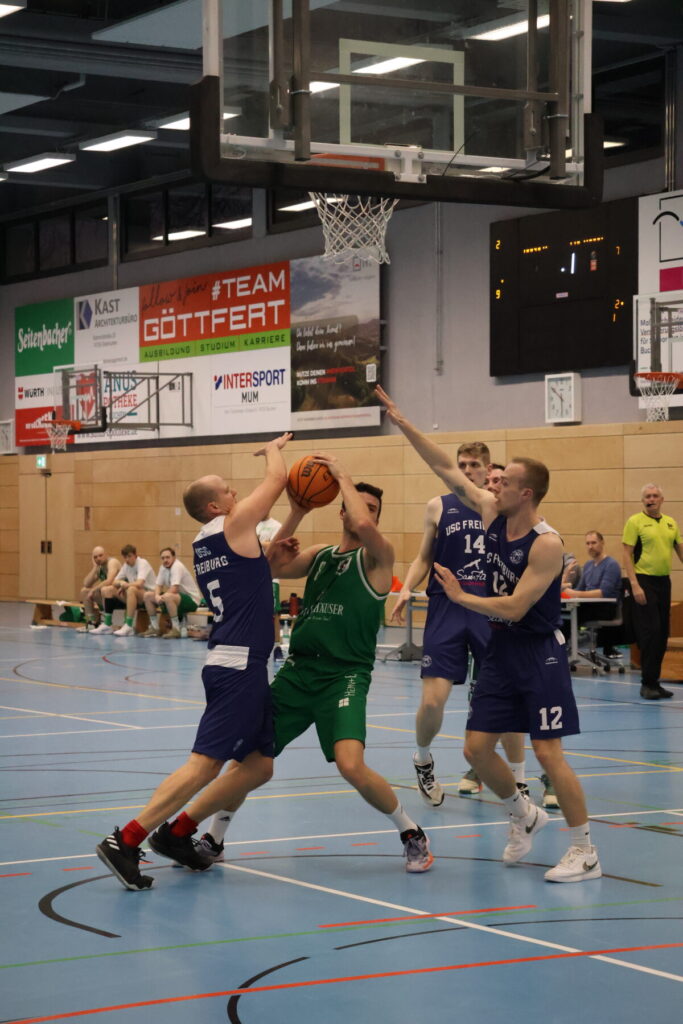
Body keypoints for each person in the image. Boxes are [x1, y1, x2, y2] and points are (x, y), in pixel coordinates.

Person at [376, 385, 600, 883]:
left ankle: (585, 850)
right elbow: (446, 469)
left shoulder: (546, 544)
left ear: (527, 494)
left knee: (548, 753)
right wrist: (404, 422)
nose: (493, 486)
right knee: (476, 749)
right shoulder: (492, 512)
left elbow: (517, 606)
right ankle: (524, 815)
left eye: (505, 482)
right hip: (500, 650)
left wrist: (461, 598)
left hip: (538, 652)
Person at [195, 456, 434, 873]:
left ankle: (411, 832)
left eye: (372, 509)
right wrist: (296, 514)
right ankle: (214, 838)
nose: (364, 513)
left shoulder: (379, 558)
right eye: (357, 504)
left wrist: (343, 476)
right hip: (297, 672)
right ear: (340, 510)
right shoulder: (321, 556)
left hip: (344, 675)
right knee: (248, 760)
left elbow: (364, 525)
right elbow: (269, 566)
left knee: (350, 765)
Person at [95, 432, 291, 890]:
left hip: (239, 662)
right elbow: (277, 480)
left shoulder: (207, 542)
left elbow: (255, 574)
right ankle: (126, 840)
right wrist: (272, 450)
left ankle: (178, 833)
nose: (236, 492)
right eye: (227, 490)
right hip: (239, 665)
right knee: (204, 764)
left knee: (259, 766)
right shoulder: (233, 525)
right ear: (215, 506)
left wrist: (289, 528)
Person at [392, 448, 527, 807]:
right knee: (432, 701)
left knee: (507, 698)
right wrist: (406, 587)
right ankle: (423, 758)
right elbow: (424, 556)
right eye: (462, 464)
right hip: (446, 609)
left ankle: (519, 779)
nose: (467, 470)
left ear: (487, 469)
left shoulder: (499, 507)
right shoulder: (438, 506)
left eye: (474, 465)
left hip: (488, 608)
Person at [622, 483, 683, 700]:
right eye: (647, 496)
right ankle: (647, 683)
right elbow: (626, 554)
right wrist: (634, 584)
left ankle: (654, 682)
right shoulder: (635, 522)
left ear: (661, 500)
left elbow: (680, 549)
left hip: (663, 582)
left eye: (655, 496)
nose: (651, 499)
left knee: (663, 633)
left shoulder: (670, 523)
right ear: (643, 501)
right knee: (651, 631)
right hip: (643, 581)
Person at [89, 545, 155, 635]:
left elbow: (139, 583)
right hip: (133, 596)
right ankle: (107, 624)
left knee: (131, 589)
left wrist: (126, 585)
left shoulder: (142, 563)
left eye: (129, 556)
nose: (127, 559)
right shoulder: (126, 566)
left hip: (148, 596)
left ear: (135, 555)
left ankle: (128, 625)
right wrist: (121, 583)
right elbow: (114, 581)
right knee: (106, 589)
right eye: (125, 557)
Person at [141, 547, 202, 639]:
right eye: (163, 558)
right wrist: (157, 596)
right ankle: (154, 627)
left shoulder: (177, 566)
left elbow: (174, 588)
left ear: (174, 557)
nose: (165, 560)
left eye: (167, 557)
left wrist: (162, 597)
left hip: (192, 600)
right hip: (176, 598)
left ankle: (176, 629)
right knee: (147, 596)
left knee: (168, 596)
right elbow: (158, 585)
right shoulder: (163, 568)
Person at [256, 517, 284, 660]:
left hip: (271, 574)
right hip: (253, 574)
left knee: (274, 612)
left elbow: (275, 548)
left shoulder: (276, 525)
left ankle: (277, 647)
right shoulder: (252, 524)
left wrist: (257, 542)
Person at [78, 546, 120, 631]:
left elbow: (109, 581)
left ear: (106, 555)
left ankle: (108, 623)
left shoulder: (112, 562)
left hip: (120, 597)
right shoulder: (100, 567)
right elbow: (86, 583)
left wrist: (94, 589)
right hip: (107, 597)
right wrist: (94, 568)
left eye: (101, 555)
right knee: (84, 591)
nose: (98, 558)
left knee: (105, 589)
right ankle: (91, 623)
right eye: (95, 557)